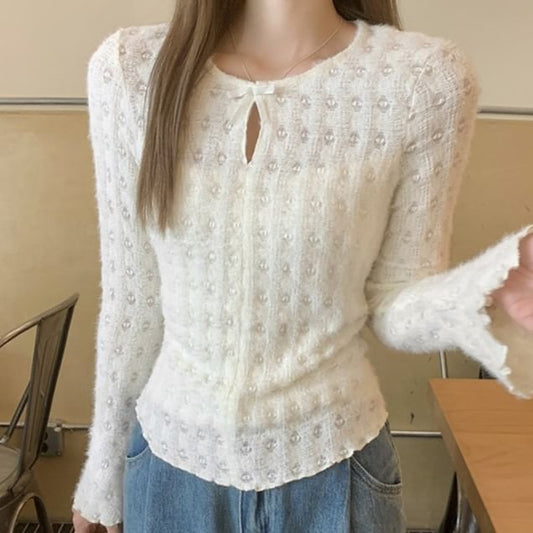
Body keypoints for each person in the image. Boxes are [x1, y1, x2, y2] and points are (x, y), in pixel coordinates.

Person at [71, 0, 533, 531]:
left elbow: (394, 299)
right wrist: (102, 477)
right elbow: (132, 302)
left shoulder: (424, 81)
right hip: (169, 472)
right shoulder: (130, 70)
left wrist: (488, 289)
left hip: (336, 470)